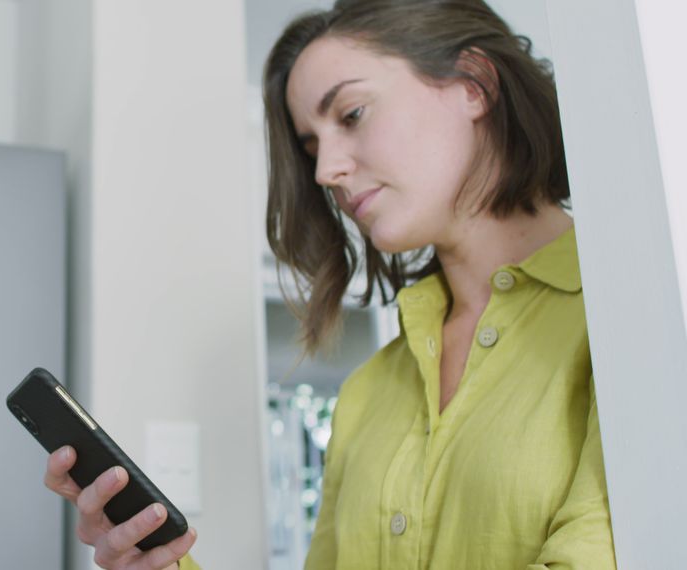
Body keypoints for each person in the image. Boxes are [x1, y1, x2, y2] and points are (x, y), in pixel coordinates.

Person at [43, 0, 617, 568]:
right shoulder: (369, 393)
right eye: (312, 145)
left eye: (351, 114)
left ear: (474, 83)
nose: (325, 171)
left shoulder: (624, 325)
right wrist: (163, 564)